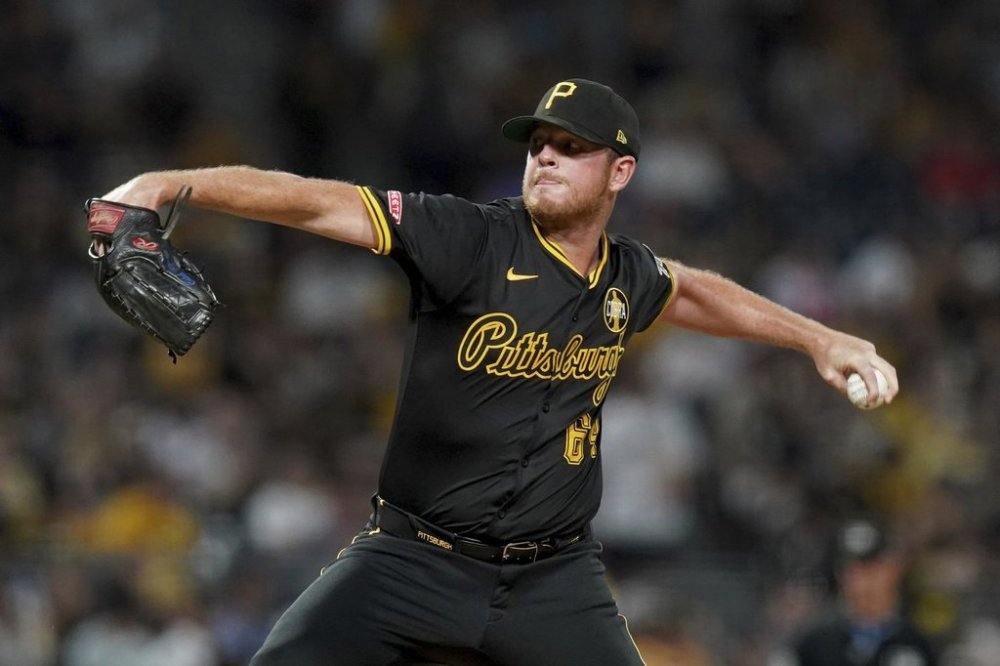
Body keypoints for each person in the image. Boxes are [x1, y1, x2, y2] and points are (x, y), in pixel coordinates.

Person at [99, 79, 899, 665]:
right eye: (539, 144)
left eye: (572, 147)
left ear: (620, 173)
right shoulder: (470, 237)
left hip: (554, 579)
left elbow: (690, 289)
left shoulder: (627, 274)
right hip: (411, 559)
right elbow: (313, 201)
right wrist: (175, 185)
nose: (545, 156)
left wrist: (817, 338)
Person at [785, 518, 937, 666]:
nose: (863, 581)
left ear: (894, 569)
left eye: (872, 568)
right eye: (853, 570)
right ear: (841, 575)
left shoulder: (919, 645)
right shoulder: (813, 646)